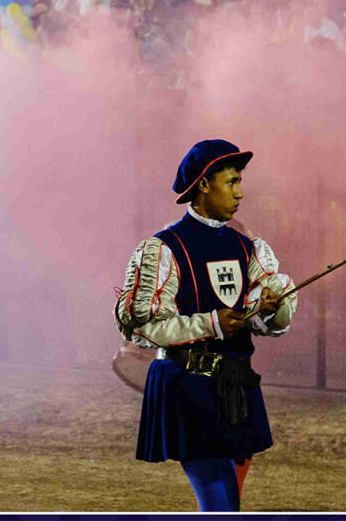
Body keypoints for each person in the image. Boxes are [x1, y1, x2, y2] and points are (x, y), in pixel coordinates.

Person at [115, 140, 297, 512]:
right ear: (203, 185)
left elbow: (265, 322)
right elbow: (144, 325)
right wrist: (212, 323)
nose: (240, 193)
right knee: (220, 501)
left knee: (226, 501)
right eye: (231, 182)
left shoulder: (246, 247)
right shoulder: (164, 248)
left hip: (235, 384)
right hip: (189, 387)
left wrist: (271, 306)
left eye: (239, 182)